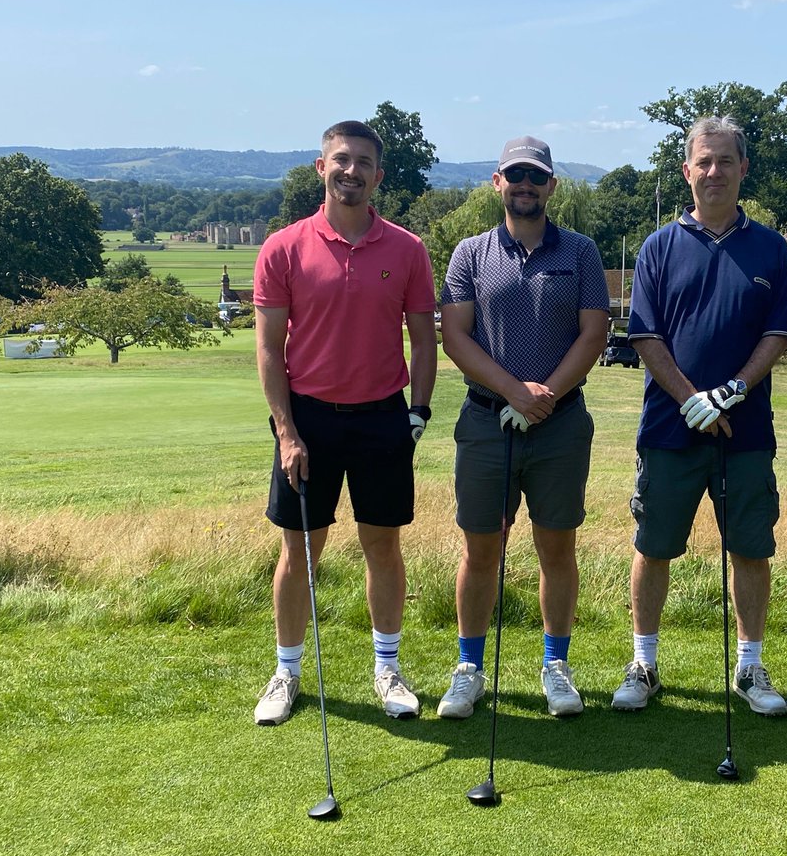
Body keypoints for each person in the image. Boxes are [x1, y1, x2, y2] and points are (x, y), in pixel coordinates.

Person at [251, 121, 437, 726]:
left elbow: (423, 341)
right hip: (308, 419)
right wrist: (286, 431)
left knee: (382, 546)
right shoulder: (283, 247)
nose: (350, 170)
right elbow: (269, 348)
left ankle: (387, 667)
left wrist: (417, 414)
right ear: (320, 166)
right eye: (341, 159)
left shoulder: (407, 249)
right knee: (300, 549)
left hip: (383, 416)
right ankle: (287, 671)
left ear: (378, 176)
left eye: (362, 162)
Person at [613, 116, 787, 716]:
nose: (714, 172)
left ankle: (749, 667)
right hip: (669, 429)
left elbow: (776, 336)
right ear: (687, 171)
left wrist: (730, 393)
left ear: (743, 169)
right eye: (703, 162)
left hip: (746, 430)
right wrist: (693, 400)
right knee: (655, 545)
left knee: (750, 547)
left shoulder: (770, 248)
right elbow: (645, 335)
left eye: (725, 161)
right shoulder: (659, 246)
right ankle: (644, 662)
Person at [437, 136, 609, 718]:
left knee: (556, 545)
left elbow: (594, 333)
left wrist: (547, 395)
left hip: (561, 424)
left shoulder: (581, 252)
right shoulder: (469, 254)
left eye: (536, 176)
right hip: (487, 421)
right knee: (482, 547)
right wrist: (514, 391)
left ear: (551, 185)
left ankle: (555, 664)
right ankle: (469, 667)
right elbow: (455, 336)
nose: (525, 185)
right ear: (498, 183)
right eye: (515, 175)